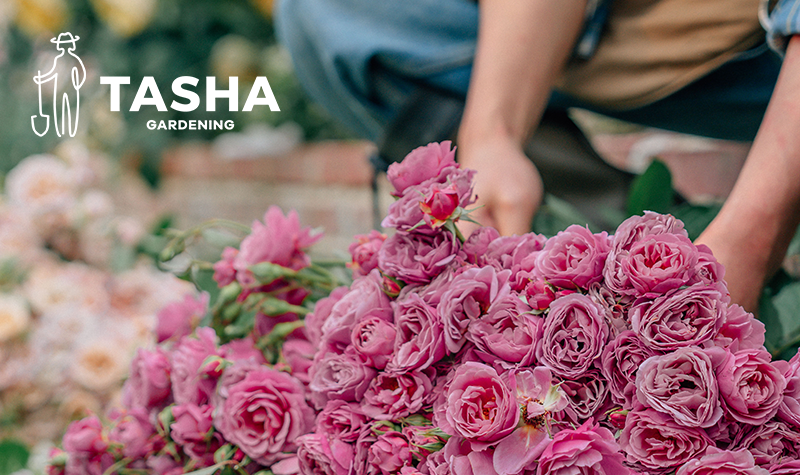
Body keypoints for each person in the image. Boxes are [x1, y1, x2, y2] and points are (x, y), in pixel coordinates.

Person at [276, 0, 800, 313]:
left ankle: (705, 268)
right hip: (680, 33)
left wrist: (750, 242)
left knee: (727, 270)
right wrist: (491, 135)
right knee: (331, 14)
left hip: (772, 61)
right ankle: (599, 264)